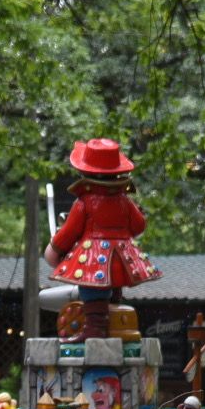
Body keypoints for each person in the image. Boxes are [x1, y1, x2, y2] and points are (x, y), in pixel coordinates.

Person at [43, 138, 161, 343]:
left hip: (94, 257)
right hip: (122, 255)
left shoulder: (84, 202)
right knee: (113, 285)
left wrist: (54, 248)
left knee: (91, 286)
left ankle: (95, 327)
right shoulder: (125, 201)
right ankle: (112, 320)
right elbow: (139, 226)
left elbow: (69, 232)